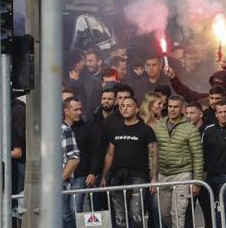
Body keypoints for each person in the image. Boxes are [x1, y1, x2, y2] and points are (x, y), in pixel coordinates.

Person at [101, 96, 157, 228]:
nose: (125, 109)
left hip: (139, 176)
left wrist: (154, 178)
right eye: (122, 106)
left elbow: (154, 154)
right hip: (117, 177)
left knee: (136, 214)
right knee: (120, 217)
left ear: (137, 109)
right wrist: (103, 176)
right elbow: (109, 155)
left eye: (129, 106)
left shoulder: (146, 130)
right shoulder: (116, 129)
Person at [152, 96, 202, 228]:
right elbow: (153, 153)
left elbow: (198, 156)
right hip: (162, 174)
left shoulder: (190, 129)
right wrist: (153, 176)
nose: (172, 109)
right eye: (170, 106)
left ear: (182, 109)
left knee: (178, 214)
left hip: (182, 174)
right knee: (163, 213)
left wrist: (197, 182)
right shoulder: (159, 126)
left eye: (176, 107)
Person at [64, 97, 101, 228]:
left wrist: (92, 172)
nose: (79, 112)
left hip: (79, 176)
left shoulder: (88, 129)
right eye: (76, 110)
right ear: (66, 111)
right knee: (63, 213)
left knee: (75, 210)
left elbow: (96, 151)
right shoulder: (58, 128)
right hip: (62, 176)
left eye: (80, 109)